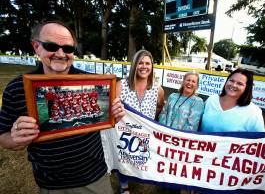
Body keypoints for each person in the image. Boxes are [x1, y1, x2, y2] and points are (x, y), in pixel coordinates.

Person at [0, 21, 125, 193]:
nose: (61, 54)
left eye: (68, 48)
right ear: (36, 47)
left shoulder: (96, 84)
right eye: (51, 46)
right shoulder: (16, 89)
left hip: (95, 178)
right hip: (51, 185)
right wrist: (15, 138)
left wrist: (114, 116)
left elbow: (105, 119)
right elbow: (3, 137)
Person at [116, 49, 165, 194]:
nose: (144, 66)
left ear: (152, 67)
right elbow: (113, 111)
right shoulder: (121, 85)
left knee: (141, 161)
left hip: (145, 136)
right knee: (123, 162)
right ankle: (124, 185)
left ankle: (139, 177)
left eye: (147, 63)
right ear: (134, 65)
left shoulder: (158, 89)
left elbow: (159, 108)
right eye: (140, 63)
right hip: (124, 135)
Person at [200, 68, 265, 139]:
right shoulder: (211, 100)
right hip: (200, 156)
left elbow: (260, 139)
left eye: (240, 83)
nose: (233, 85)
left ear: (247, 88)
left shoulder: (253, 112)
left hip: (227, 161)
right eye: (231, 80)